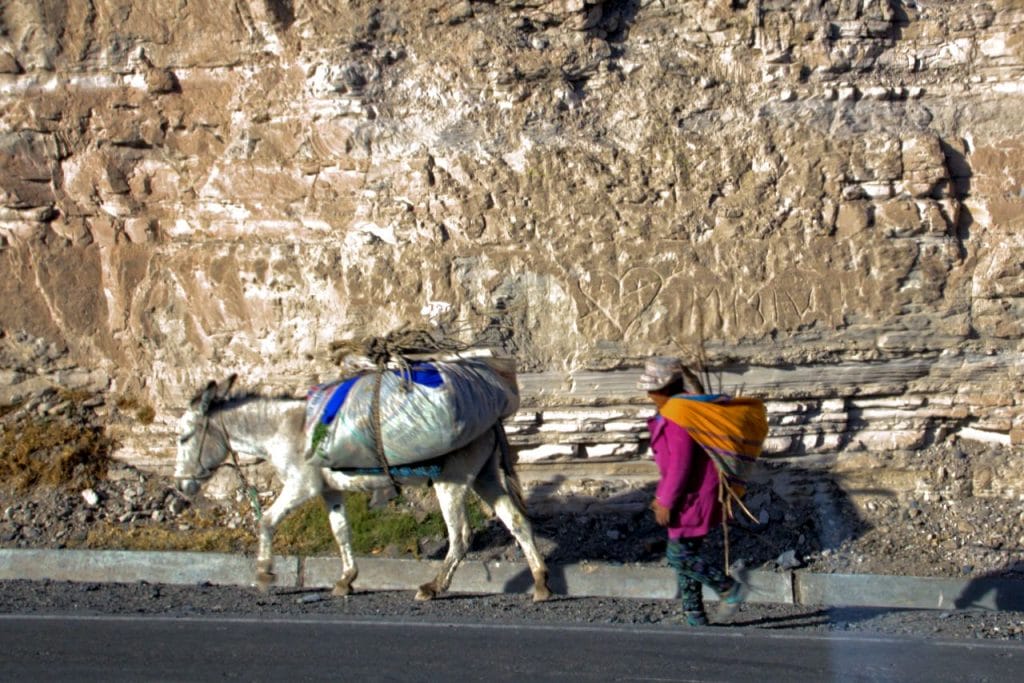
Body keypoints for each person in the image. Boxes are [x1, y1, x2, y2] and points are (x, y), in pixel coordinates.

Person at [638, 356, 744, 626]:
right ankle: (694, 615)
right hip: (688, 495)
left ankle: (727, 588)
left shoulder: (679, 416)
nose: (649, 394)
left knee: (678, 556)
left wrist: (666, 500)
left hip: (692, 497)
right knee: (685, 555)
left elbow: (681, 465)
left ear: (665, 388)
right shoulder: (680, 409)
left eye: (652, 389)